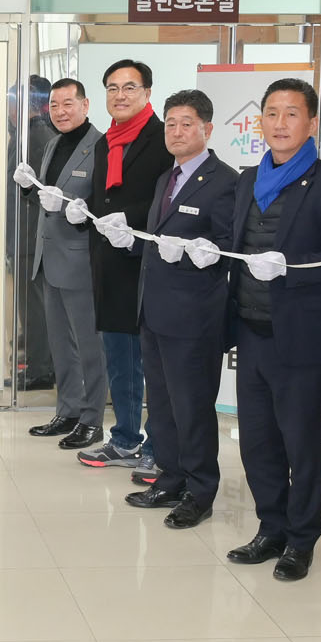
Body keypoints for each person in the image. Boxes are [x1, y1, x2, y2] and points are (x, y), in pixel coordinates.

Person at [221, 78, 321, 582]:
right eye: (272, 113)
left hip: (302, 337)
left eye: (291, 113)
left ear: (312, 122)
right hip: (251, 330)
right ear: (260, 121)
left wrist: (290, 267)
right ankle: (270, 528)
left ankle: (301, 540)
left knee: (300, 444)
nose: (280, 123)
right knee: (257, 441)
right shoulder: (247, 180)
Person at [116, 90, 239, 529]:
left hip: (194, 317)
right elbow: (158, 241)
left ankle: (200, 491)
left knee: (192, 408)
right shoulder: (166, 179)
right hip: (154, 311)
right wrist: (130, 240)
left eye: (187, 124)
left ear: (207, 129)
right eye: (170, 124)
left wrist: (194, 253)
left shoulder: (224, 181)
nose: (176, 132)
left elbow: (227, 248)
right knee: (163, 405)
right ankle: (170, 478)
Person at [65, 60, 169, 476]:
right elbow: (105, 199)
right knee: (120, 361)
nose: (120, 95)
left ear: (147, 93)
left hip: (147, 265)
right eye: (112, 88)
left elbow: (167, 200)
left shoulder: (162, 138)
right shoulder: (107, 141)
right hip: (109, 265)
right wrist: (81, 210)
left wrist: (132, 219)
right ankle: (125, 438)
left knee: (152, 365)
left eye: (129, 87)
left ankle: (159, 446)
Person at [20, 79, 106, 443]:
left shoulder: (101, 146)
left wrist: (78, 211)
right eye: (54, 105)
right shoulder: (54, 143)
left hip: (80, 261)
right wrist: (29, 187)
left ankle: (92, 419)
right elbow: (45, 200)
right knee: (60, 344)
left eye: (68, 104)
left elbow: (104, 207)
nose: (60, 112)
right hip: (49, 258)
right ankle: (68, 410)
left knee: (89, 346)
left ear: (85, 105)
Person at [19, 74, 57, 391]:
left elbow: (44, 193)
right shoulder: (23, 136)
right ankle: (38, 364)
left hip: (32, 238)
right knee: (30, 306)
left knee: (35, 307)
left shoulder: (38, 137)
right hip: (23, 237)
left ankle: (41, 370)